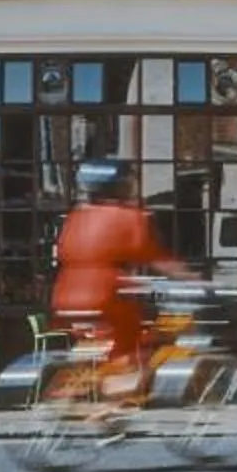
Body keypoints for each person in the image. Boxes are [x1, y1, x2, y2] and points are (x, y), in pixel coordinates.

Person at [50, 160, 178, 400]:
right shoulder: (130, 216)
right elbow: (151, 255)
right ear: (122, 186)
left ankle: (82, 385)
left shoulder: (76, 217)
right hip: (106, 292)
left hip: (65, 294)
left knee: (99, 339)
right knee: (137, 339)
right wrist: (189, 277)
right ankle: (120, 394)